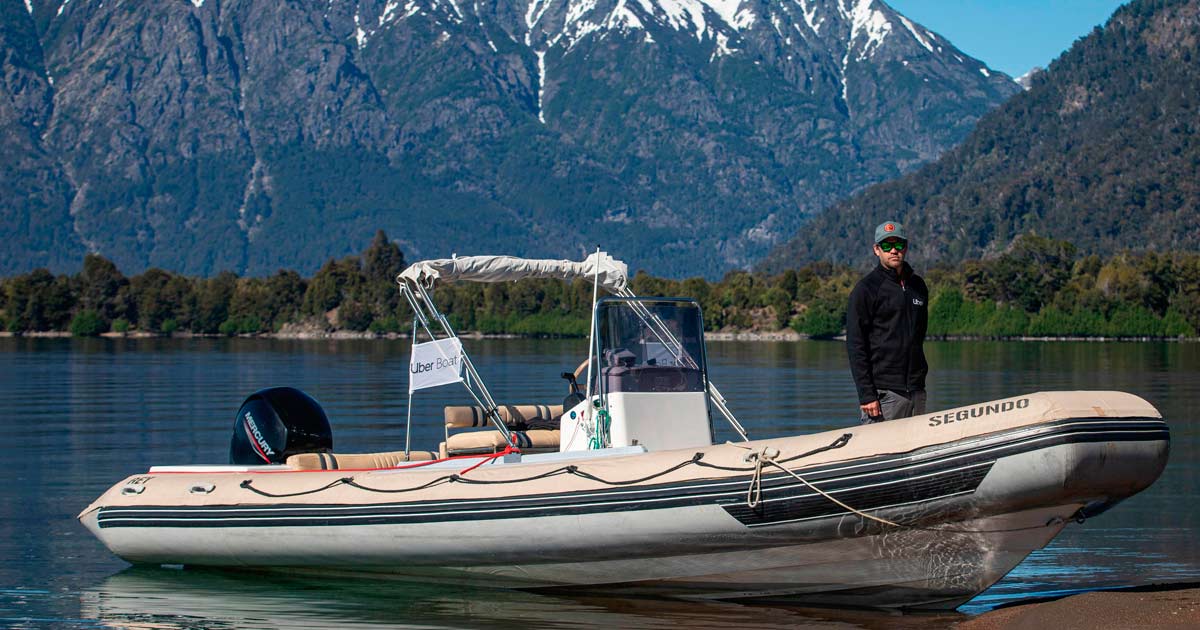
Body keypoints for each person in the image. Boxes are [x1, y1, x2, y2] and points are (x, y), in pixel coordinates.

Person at [845, 220, 929, 423]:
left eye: (898, 245)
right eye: (886, 245)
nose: (893, 250)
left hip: (916, 390)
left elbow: (919, 334)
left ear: (906, 247)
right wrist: (867, 394)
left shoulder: (918, 286)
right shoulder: (866, 289)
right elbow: (856, 345)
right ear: (876, 250)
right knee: (879, 452)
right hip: (884, 394)